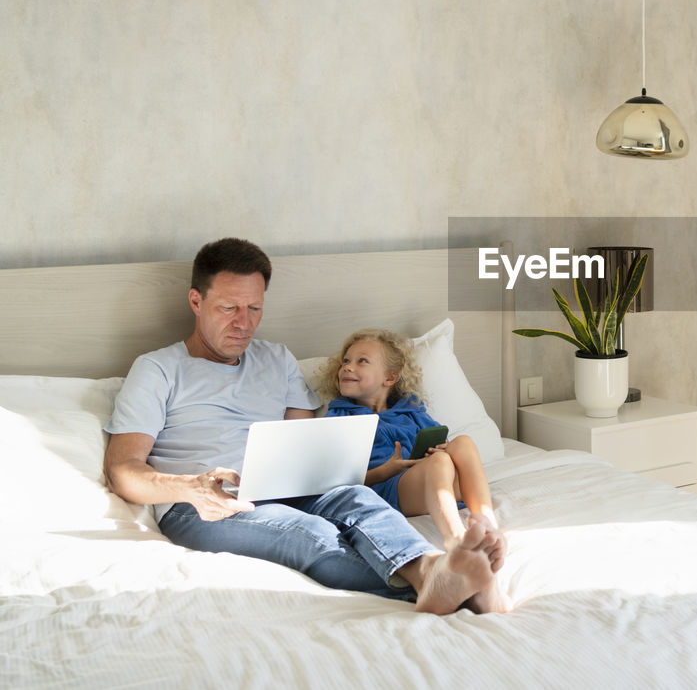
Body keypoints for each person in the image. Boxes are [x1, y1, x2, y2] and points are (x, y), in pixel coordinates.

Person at [102, 238, 506, 614]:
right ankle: (455, 590)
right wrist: (188, 488)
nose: (244, 323)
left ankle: (436, 572)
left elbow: (309, 446)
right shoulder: (157, 369)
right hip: (204, 507)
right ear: (196, 300)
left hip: (285, 490)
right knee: (306, 532)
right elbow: (123, 471)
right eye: (229, 308)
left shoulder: (277, 359)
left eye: (254, 308)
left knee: (356, 499)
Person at [315, 329, 506, 567]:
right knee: (440, 463)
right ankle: (455, 540)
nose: (347, 367)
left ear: (390, 378)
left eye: (361, 361)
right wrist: (387, 470)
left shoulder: (411, 409)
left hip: (434, 480)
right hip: (390, 489)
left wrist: (442, 449)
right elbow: (335, 482)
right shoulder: (340, 417)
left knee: (463, 442)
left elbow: (440, 441)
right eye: (346, 361)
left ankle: (486, 524)